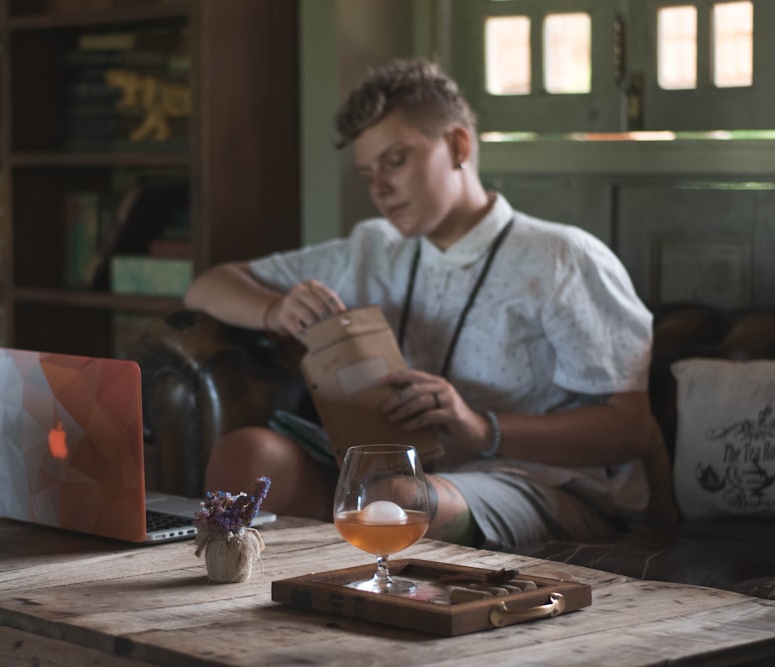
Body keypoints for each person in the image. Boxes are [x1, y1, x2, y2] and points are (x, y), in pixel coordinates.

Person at [182, 58, 655, 550]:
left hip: (541, 480)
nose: (379, 189)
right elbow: (208, 286)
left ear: (457, 146)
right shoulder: (371, 248)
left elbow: (630, 430)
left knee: (393, 498)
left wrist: (480, 429)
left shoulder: (561, 258)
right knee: (250, 453)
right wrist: (274, 310)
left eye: (396, 160)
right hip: (397, 471)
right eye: (368, 173)